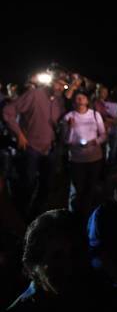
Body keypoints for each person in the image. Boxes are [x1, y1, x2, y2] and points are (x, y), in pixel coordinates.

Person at [2, 70, 67, 219]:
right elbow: (8, 111)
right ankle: (19, 215)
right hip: (31, 147)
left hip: (50, 148)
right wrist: (19, 134)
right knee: (28, 184)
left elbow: (59, 120)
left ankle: (35, 216)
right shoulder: (34, 94)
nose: (60, 87)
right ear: (51, 81)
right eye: (58, 82)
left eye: (63, 85)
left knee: (47, 185)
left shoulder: (58, 100)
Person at [63, 91, 106, 218]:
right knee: (76, 190)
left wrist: (95, 141)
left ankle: (86, 215)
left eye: (83, 97)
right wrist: (71, 128)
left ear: (87, 100)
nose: (80, 99)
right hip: (77, 159)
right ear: (74, 101)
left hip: (94, 158)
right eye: (77, 98)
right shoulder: (69, 116)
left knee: (90, 188)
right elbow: (66, 141)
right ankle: (72, 217)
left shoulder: (95, 114)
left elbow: (103, 135)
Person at [93, 84, 117, 164]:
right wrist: (112, 120)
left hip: (112, 127)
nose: (105, 94)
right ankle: (104, 166)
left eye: (106, 92)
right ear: (98, 93)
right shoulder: (96, 103)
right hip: (103, 128)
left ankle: (110, 164)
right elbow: (99, 116)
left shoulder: (108, 102)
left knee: (112, 148)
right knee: (103, 149)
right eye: (102, 92)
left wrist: (116, 119)